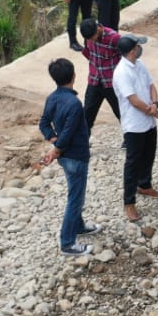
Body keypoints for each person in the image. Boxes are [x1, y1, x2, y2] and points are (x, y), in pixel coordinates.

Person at [39, 58, 101, 256]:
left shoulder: (52, 98)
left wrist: (53, 139)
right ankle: (67, 243)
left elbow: (44, 123)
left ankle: (79, 226)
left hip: (65, 157)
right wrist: (56, 147)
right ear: (74, 76)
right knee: (75, 199)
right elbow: (69, 132)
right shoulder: (74, 103)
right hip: (76, 155)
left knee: (76, 193)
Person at [112, 33, 158, 223]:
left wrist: (155, 103)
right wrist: (154, 112)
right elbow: (133, 100)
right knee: (132, 164)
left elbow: (151, 85)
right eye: (137, 46)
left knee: (149, 155)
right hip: (134, 125)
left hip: (148, 122)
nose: (140, 49)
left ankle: (145, 185)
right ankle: (129, 202)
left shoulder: (139, 65)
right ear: (133, 50)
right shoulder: (121, 72)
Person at [79, 18, 123, 131]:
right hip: (94, 80)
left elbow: (125, 58)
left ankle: (129, 137)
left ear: (97, 30)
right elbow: (90, 54)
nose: (90, 40)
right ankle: (83, 139)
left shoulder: (114, 38)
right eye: (88, 39)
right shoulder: (88, 37)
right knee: (87, 115)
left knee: (122, 113)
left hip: (111, 84)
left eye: (91, 38)